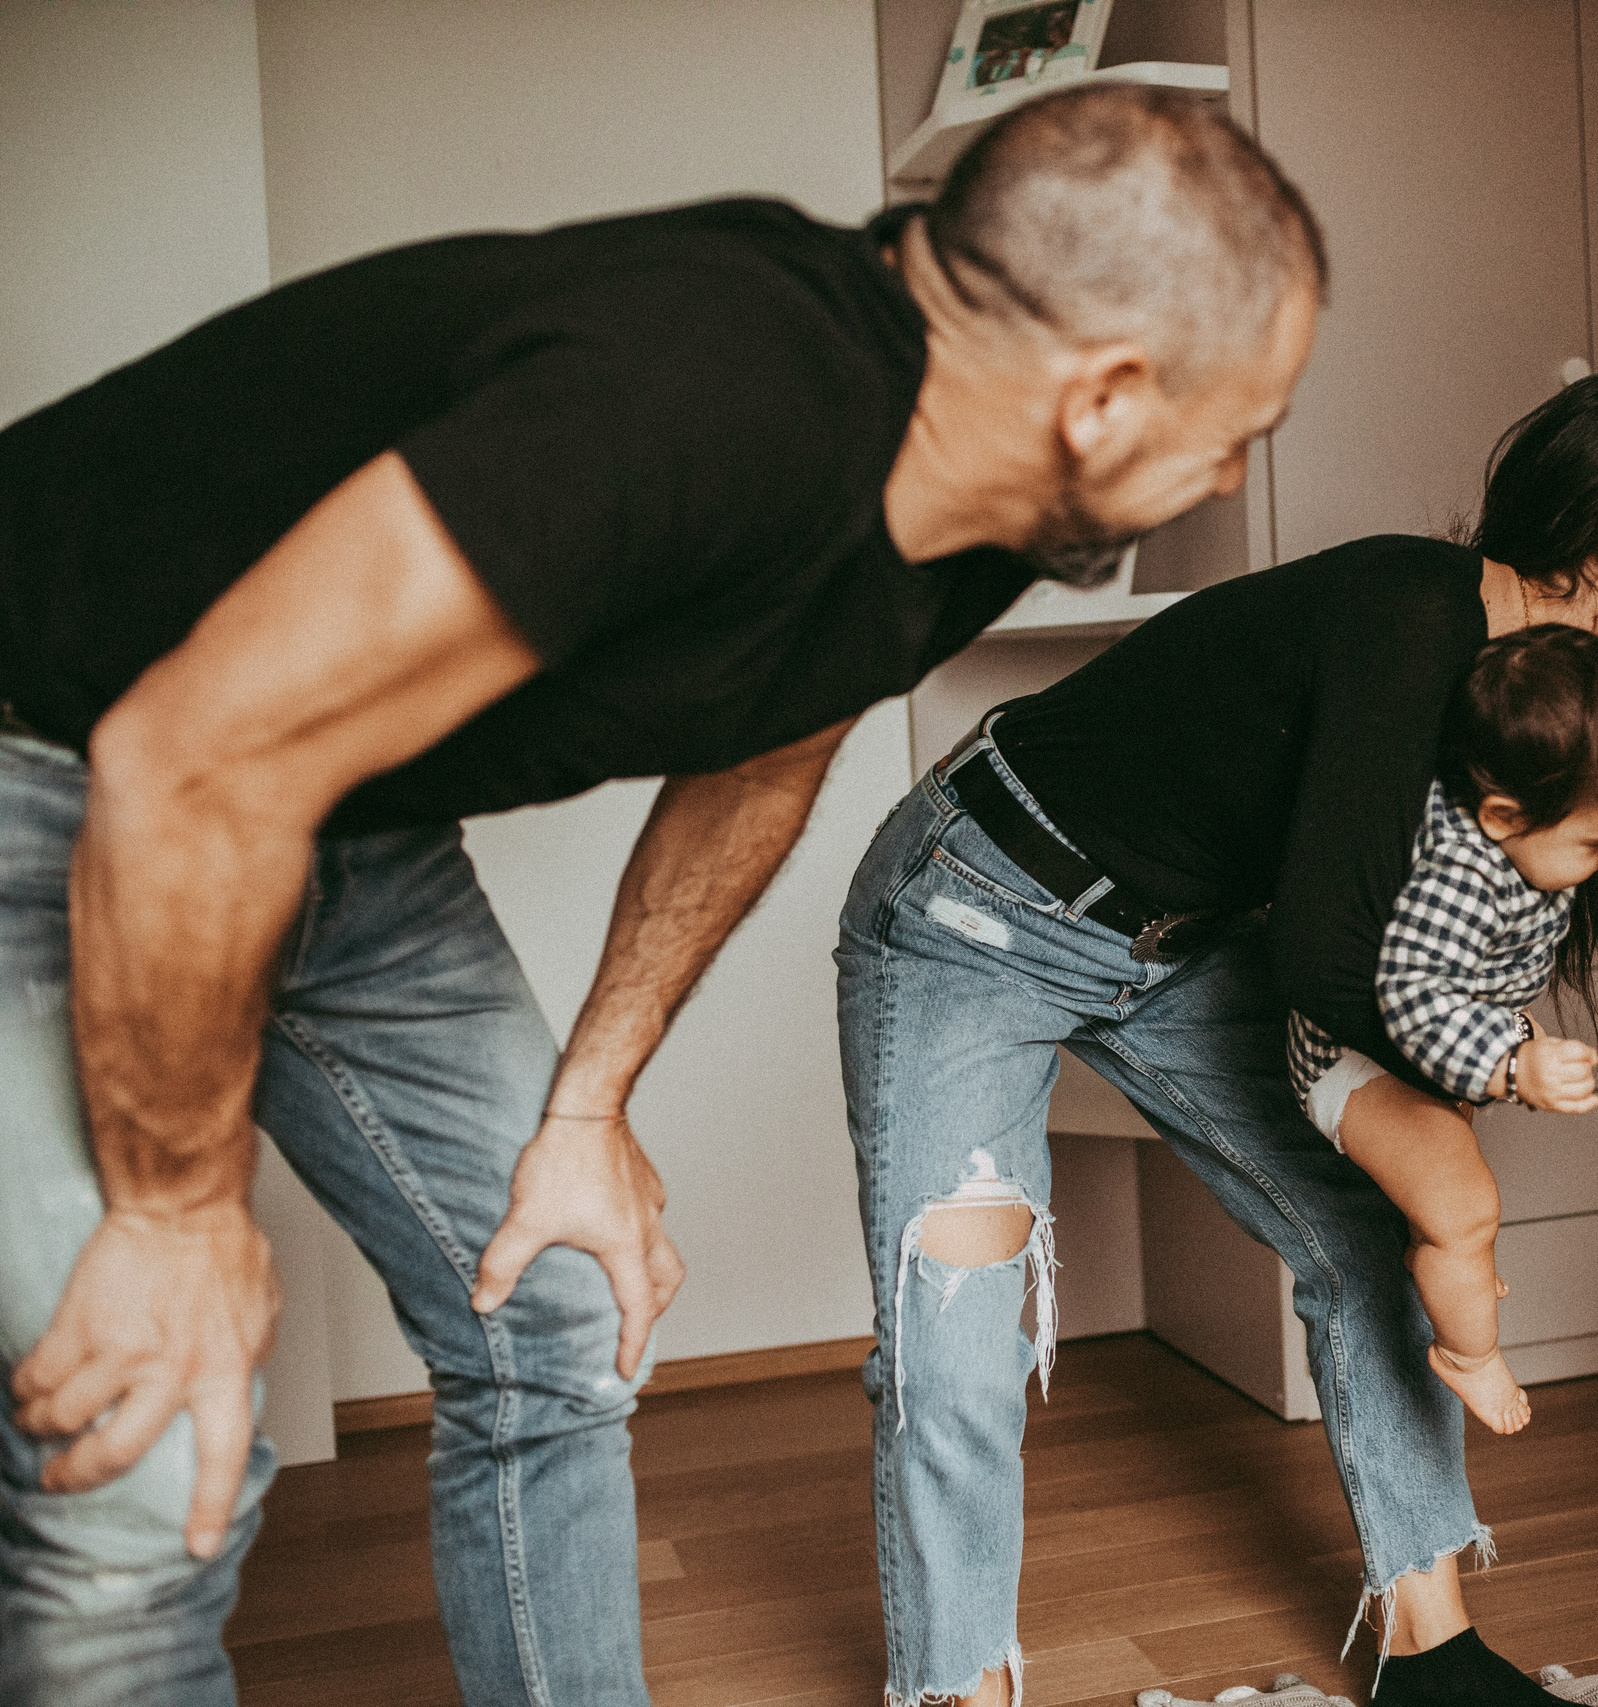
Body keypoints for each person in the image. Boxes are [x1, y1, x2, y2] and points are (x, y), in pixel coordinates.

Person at [0, 84, 1322, 1707]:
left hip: (335, 815)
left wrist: (588, 1107)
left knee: (555, 1311)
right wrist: (173, 1217)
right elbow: (192, 761)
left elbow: (769, 749)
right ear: (1107, 398)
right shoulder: (701, 393)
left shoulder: (969, 505)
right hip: (66, 785)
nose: (1230, 467)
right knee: (142, 1453)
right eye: (1237, 426)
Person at [836, 372, 1598, 1707]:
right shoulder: (1412, 611)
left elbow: (1420, 927)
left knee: (1367, 1233)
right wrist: (1472, 1085)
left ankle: (1435, 1652)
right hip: (981, 910)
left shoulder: (1536, 711)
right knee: (958, 1322)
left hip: (1179, 937)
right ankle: (955, 1690)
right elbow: (1329, 955)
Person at [1284, 623, 1598, 1436]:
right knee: (1466, 1208)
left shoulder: (1531, 811)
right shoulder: (1461, 871)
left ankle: (1445, 1257)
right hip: (1360, 1058)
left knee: (1451, 1214)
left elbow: (1592, 806)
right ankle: (1467, 1353)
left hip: (1446, 1040)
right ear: (1504, 814)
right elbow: (1409, 994)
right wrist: (1513, 1064)